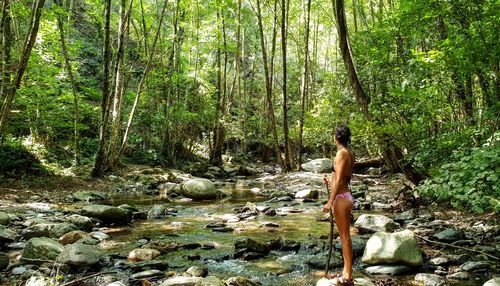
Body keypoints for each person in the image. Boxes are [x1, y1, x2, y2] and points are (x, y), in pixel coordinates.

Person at [322, 125, 355, 286]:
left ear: (336, 137)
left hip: (341, 199)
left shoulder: (341, 153)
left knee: (345, 238)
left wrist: (330, 201)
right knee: (345, 237)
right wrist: (329, 181)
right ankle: (345, 272)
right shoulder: (348, 153)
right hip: (345, 196)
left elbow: (341, 180)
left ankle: (348, 277)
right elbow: (343, 178)